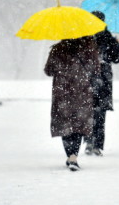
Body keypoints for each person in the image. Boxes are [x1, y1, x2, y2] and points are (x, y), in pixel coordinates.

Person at [44, 36, 100, 171]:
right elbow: (96, 70)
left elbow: (48, 70)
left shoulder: (58, 48)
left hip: (62, 92)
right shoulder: (89, 48)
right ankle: (74, 155)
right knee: (78, 125)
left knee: (65, 124)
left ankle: (70, 155)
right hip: (82, 92)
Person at [84, 10, 119, 156]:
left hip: (87, 78)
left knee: (88, 111)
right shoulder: (108, 37)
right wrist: (115, 45)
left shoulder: (84, 36)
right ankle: (97, 145)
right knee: (100, 113)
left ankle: (88, 142)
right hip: (104, 79)